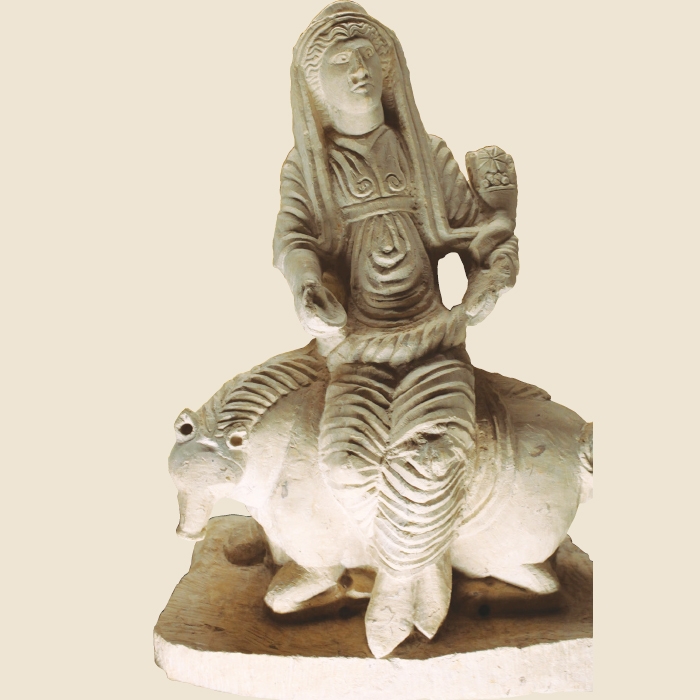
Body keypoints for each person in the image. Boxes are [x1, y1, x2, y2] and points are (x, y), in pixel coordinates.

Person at [273, 1, 519, 657]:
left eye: (368, 56)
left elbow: (481, 233)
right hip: (357, 351)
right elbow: (294, 240)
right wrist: (309, 287)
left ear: (389, 69)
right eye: (340, 61)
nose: (358, 69)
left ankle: (396, 579)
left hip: (433, 340)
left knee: (435, 452)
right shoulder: (307, 170)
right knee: (346, 462)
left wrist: (491, 276)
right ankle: (422, 557)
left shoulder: (425, 154)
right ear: (315, 86)